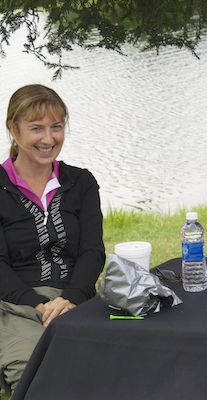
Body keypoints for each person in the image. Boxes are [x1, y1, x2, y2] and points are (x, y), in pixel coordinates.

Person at [0, 84, 105, 396]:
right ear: (13, 129)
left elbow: (92, 251)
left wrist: (70, 297)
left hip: (77, 299)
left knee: (111, 363)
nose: (48, 139)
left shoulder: (81, 182)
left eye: (56, 127)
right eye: (36, 128)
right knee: (37, 373)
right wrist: (40, 305)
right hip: (16, 303)